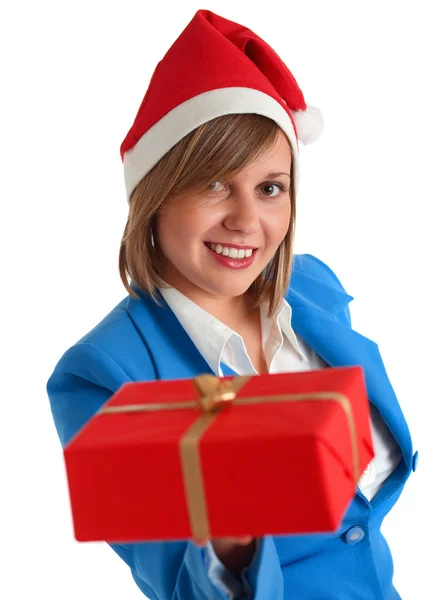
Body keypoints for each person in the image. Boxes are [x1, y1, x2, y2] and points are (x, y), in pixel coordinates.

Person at [46, 8, 417, 600]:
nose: (248, 221)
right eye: (215, 183)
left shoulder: (313, 290)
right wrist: (229, 542)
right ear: (155, 195)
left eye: (270, 188)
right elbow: (179, 585)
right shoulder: (106, 372)